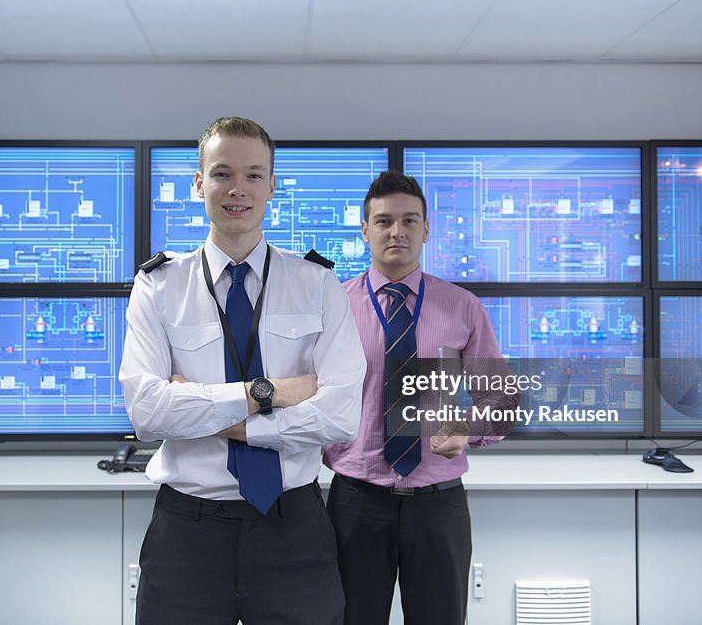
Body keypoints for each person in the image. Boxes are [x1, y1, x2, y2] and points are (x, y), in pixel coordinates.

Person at [119, 116, 366, 625]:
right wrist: (269, 392)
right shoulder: (158, 287)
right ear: (198, 183)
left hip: (292, 526)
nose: (238, 189)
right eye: (222, 173)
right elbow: (146, 411)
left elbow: (341, 415)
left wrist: (207, 407)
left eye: (254, 175)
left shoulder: (317, 284)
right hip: (187, 532)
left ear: (273, 185)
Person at [323, 172, 518, 625]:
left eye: (410, 221)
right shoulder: (332, 305)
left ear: (427, 229)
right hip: (356, 502)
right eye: (385, 221)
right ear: (365, 229)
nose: (398, 232)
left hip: (439, 503)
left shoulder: (462, 307)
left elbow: (502, 399)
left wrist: (470, 427)